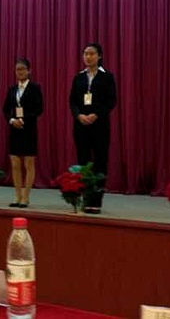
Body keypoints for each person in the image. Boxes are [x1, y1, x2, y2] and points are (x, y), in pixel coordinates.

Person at [69, 43, 117, 214]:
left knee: (100, 162)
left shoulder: (107, 77)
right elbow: (72, 101)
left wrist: (96, 114)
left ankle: (96, 201)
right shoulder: (79, 77)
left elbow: (111, 101)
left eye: (91, 54)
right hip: (81, 125)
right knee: (83, 162)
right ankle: (85, 198)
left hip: (100, 126)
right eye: (85, 54)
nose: (88, 57)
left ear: (99, 56)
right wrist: (79, 115)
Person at [2, 58, 43, 208]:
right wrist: (12, 120)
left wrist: (24, 119)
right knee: (15, 163)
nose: (20, 72)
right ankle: (17, 195)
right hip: (15, 129)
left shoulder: (35, 88)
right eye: (17, 69)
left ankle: (26, 196)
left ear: (29, 70)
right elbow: (6, 109)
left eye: (22, 69)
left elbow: (39, 109)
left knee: (28, 163)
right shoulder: (12, 89)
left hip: (29, 129)